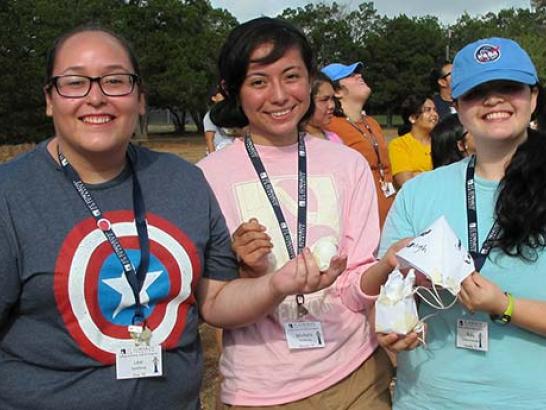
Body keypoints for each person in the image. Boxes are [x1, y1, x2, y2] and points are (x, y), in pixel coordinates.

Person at [0, 25, 342, 410]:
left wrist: (278, 283)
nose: (96, 98)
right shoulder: (11, 195)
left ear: (141, 98)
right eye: (75, 82)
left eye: (115, 81)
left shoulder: (182, 181)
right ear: (49, 99)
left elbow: (216, 301)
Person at [198, 17, 404, 409]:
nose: (278, 95)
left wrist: (385, 266)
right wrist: (245, 270)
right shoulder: (207, 178)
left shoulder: (348, 165)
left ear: (309, 80)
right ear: (233, 91)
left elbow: (357, 279)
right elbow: (213, 306)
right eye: (258, 82)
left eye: (291, 76)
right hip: (259, 390)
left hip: (356, 376)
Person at [378, 37, 546, 408]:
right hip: (427, 399)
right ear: (456, 106)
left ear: (533, 97)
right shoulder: (419, 192)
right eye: (476, 92)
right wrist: (392, 324)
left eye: (509, 87)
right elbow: (389, 292)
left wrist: (504, 305)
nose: (493, 100)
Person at [321, 61, 395, 227]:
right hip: (360, 223)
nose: (359, 76)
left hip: (387, 219)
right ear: (337, 91)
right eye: (350, 75)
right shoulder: (330, 127)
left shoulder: (372, 123)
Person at [388, 95, 438, 188]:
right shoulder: (399, 145)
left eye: (435, 110)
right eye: (428, 110)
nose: (434, 114)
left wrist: (417, 174)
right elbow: (406, 183)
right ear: (413, 118)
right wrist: (436, 176)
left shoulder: (440, 142)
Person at [303, 72, 343, 143]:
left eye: (332, 99)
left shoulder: (334, 138)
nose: (332, 106)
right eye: (324, 99)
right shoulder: (293, 142)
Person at [203, 84, 237, 154]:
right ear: (214, 98)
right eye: (221, 94)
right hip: (219, 153)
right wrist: (213, 159)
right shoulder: (210, 116)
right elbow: (209, 140)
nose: (225, 96)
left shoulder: (230, 114)